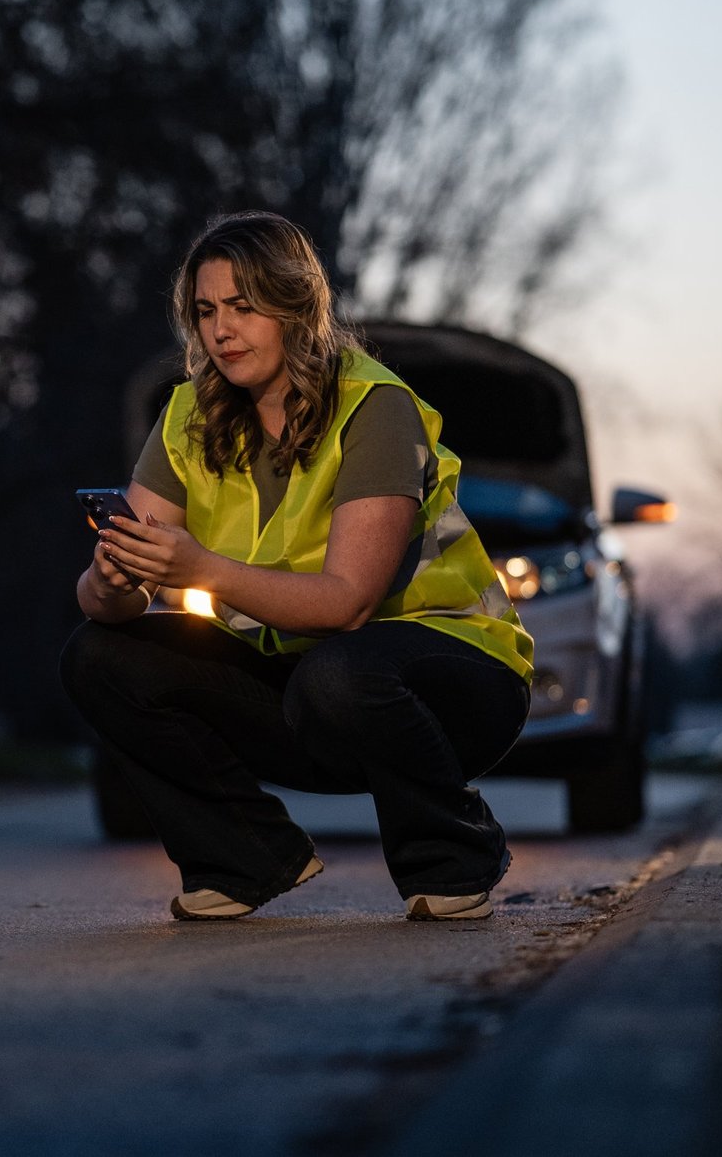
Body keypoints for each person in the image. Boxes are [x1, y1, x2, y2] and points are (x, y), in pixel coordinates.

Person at [60, 211, 534, 923]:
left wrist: (196, 567)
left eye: (244, 307)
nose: (221, 330)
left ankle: (454, 853)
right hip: (308, 691)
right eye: (206, 310)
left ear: (295, 306)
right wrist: (114, 576)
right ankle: (243, 855)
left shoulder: (374, 407)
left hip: (455, 685)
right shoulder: (188, 414)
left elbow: (347, 605)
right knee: (96, 654)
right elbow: (108, 605)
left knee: (340, 669)